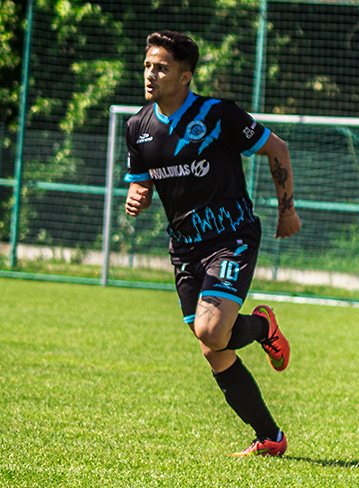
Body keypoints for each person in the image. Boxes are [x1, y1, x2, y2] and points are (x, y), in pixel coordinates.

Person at [123, 30, 301, 457]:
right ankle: (270, 438)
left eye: (161, 68)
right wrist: (136, 196)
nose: (150, 74)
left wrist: (287, 210)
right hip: (185, 249)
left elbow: (276, 148)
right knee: (213, 348)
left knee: (211, 331)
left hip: (231, 237)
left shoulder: (218, 115)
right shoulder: (138, 128)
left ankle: (262, 328)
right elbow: (140, 184)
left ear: (185, 77)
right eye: (147, 66)